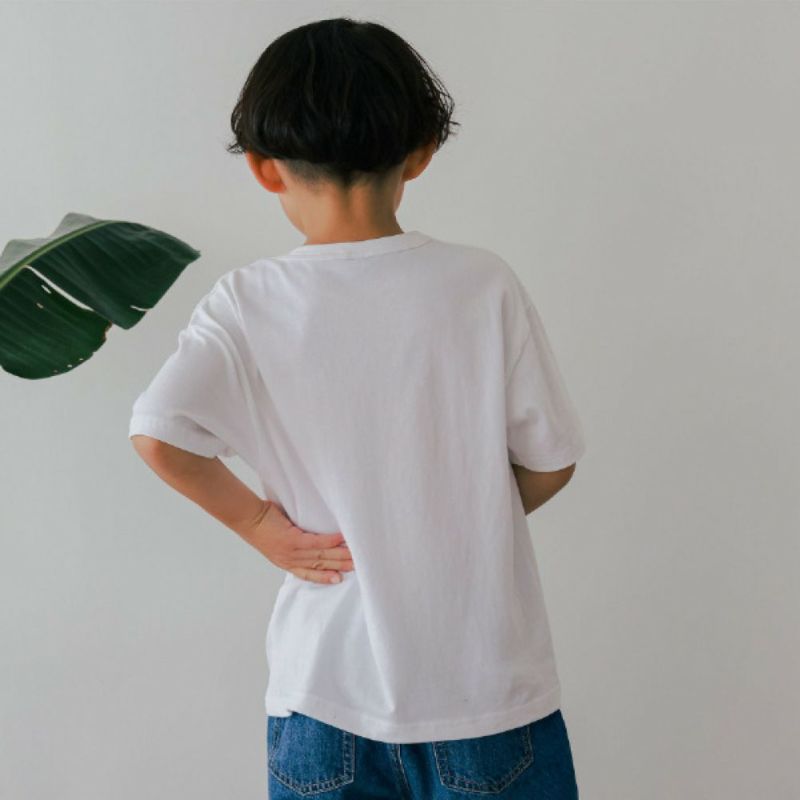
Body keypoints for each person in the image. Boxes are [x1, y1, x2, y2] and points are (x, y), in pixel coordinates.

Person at [129, 16, 586, 799]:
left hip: (323, 694)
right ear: (422, 153)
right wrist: (456, 519)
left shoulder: (247, 302)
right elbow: (551, 462)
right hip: (483, 693)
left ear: (265, 169)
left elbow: (159, 435)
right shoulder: (481, 286)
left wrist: (259, 525)